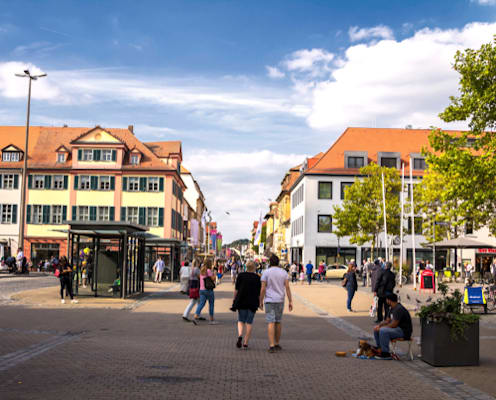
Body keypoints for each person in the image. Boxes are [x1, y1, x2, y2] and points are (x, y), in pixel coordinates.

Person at [259, 254, 293, 353]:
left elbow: (263, 288)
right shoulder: (283, 273)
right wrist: (290, 301)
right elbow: (287, 287)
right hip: (280, 300)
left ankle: (271, 345)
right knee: (278, 321)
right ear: (278, 262)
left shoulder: (266, 272)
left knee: (270, 321)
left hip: (269, 300)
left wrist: (260, 300)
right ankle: (277, 343)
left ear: (270, 262)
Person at [232, 260, 261, 349]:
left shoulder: (241, 276)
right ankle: (245, 342)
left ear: (246, 267)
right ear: (254, 268)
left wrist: (234, 299)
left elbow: (236, 290)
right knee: (249, 322)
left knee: (241, 320)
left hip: (241, 301)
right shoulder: (257, 277)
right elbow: (259, 292)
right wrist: (260, 302)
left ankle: (240, 335)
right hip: (252, 302)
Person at [373, 293, 412, 360]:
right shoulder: (392, 308)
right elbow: (387, 321)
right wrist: (379, 325)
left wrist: (382, 328)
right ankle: (380, 349)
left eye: (386, 300)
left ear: (389, 300)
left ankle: (385, 353)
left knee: (383, 331)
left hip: (403, 331)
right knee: (376, 329)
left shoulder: (399, 309)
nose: (386, 301)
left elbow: (394, 324)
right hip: (397, 329)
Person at [194, 259, 218, 324]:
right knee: (211, 304)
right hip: (208, 290)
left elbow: (200, 278)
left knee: (201, 303)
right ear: (209, 264)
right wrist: (215, 274)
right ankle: (211, 319)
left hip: (201, 290)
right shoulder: (208, 271)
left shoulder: (201, 270)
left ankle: (196, 315)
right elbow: (213, 279)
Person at [182, 259, 201, 323]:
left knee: (199, 301)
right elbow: (200, 277)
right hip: (196, 286)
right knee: (193, 301)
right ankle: (185, 314)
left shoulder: (191, 269)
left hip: (191, 285)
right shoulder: (197, 269)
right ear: (197, 263)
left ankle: (198, 314)